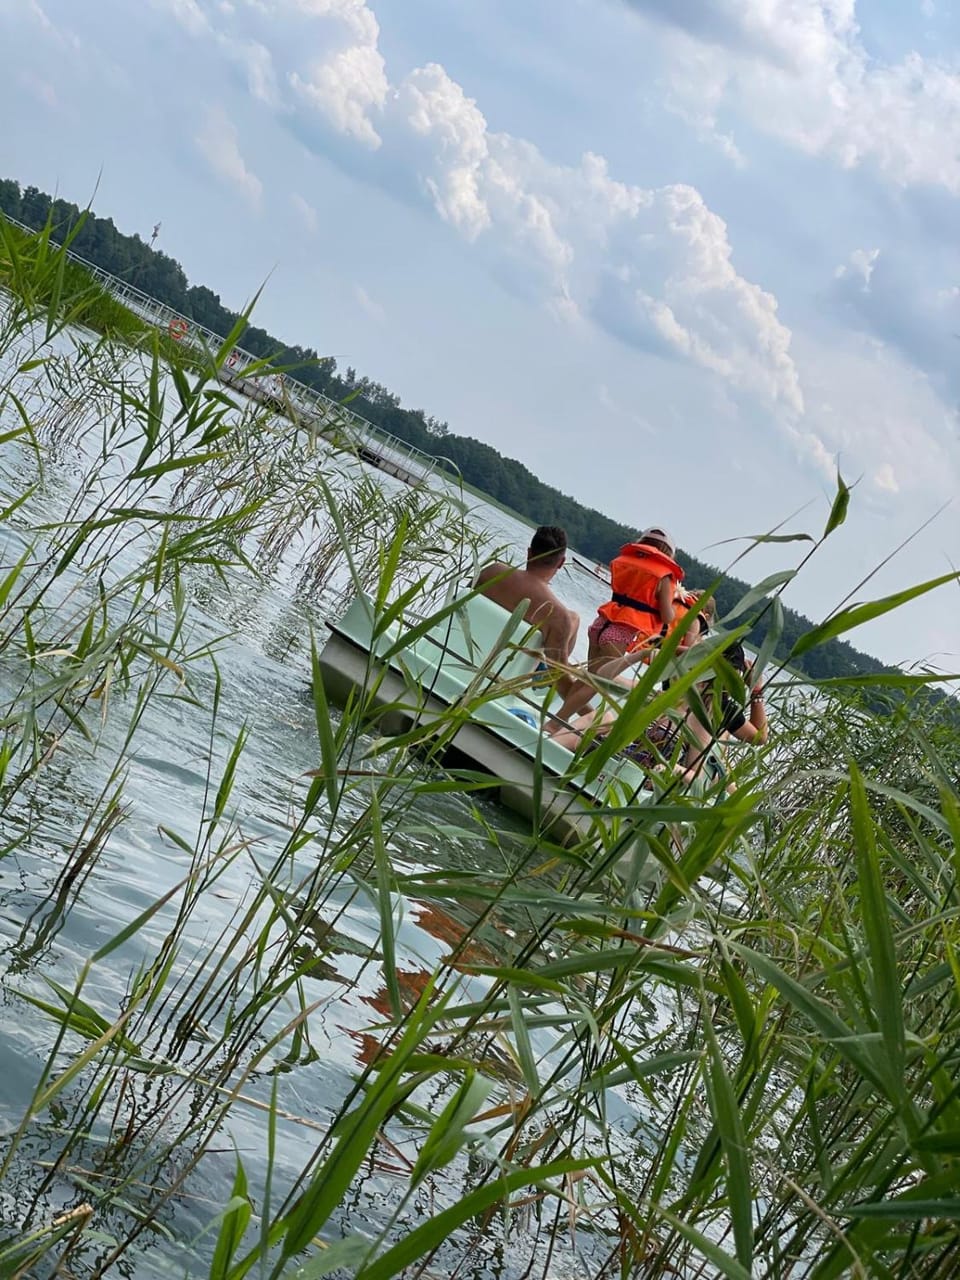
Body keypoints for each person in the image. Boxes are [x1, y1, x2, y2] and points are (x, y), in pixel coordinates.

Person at [475, 525, 580, 666]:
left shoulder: (491, 573)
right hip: (499, 681)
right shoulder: (557, 615)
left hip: (449, 658)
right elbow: (557, 678)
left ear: (529, 553)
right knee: (573, 619)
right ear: (561, 563)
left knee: (574, 617)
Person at [586, 527, 686, 668]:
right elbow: (666, 617)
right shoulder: (663, 576)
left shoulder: (625, 562)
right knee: (597, 682)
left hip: (600, 624)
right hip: (620, 634)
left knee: (589, 675)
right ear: (668, 554)